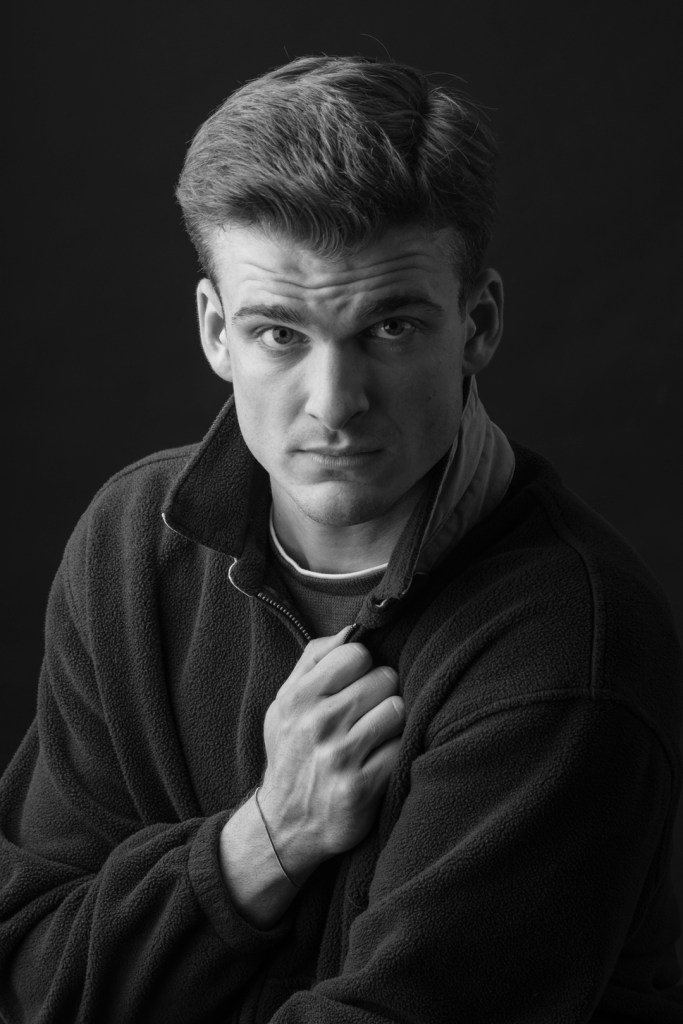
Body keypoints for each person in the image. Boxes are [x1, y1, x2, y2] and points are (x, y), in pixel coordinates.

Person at [1, 54, 681, 1024]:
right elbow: (25, 974)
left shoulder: (567, 643)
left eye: (389, 327)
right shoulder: (128, 546)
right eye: (279, 333)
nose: (333, 403)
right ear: (215, 331)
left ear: (476, 322)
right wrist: (265, 840)